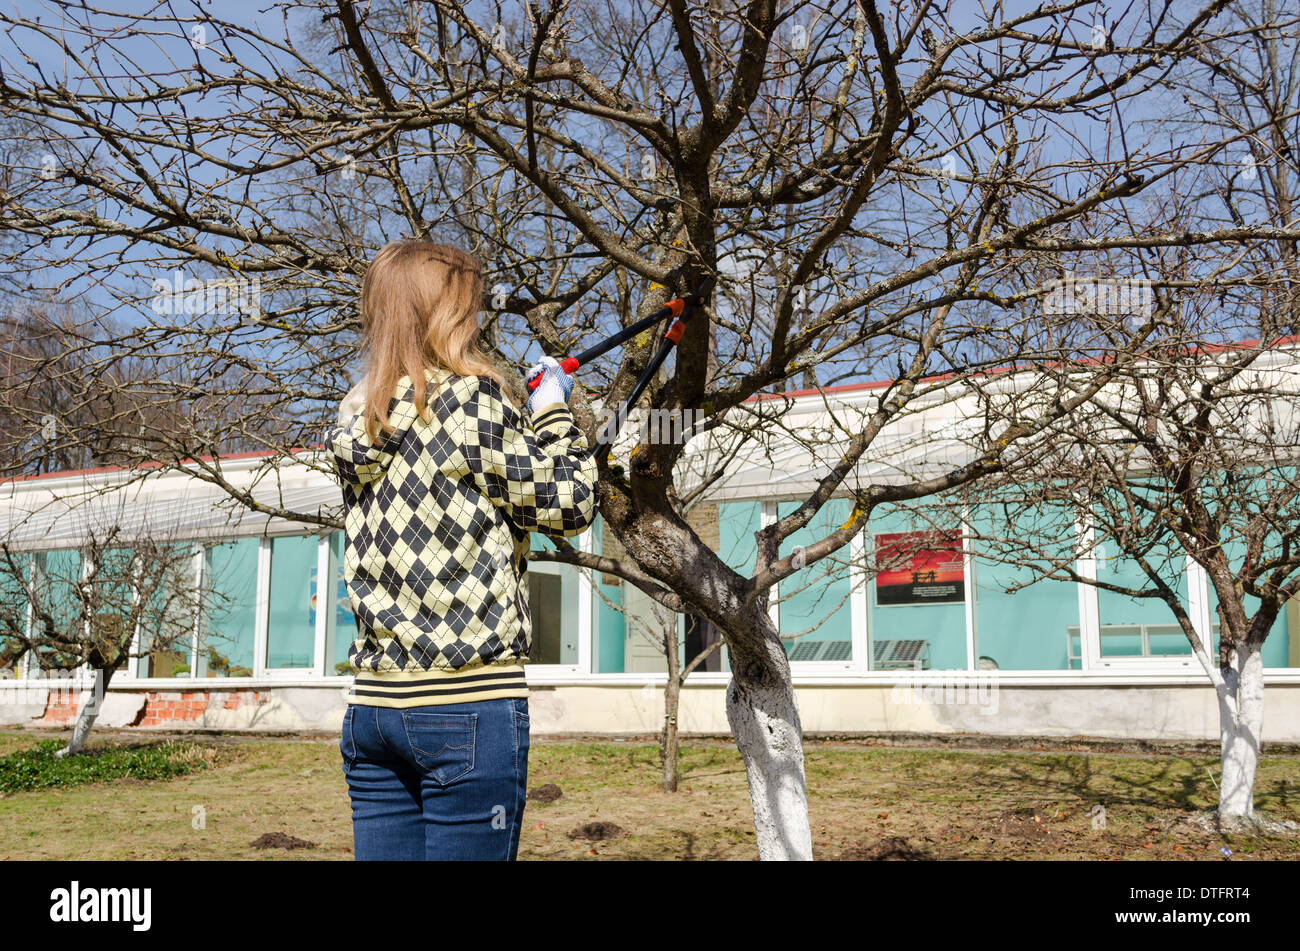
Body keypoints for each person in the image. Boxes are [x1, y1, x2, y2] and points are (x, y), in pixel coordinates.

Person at [325, 239, 597, 860]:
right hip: (467, 707)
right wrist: (553, 410)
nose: (477, 319)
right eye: (469, 305)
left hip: (374, 713)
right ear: (446, 312)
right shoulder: (468, 402)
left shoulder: (357, 419)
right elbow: (571, 501)